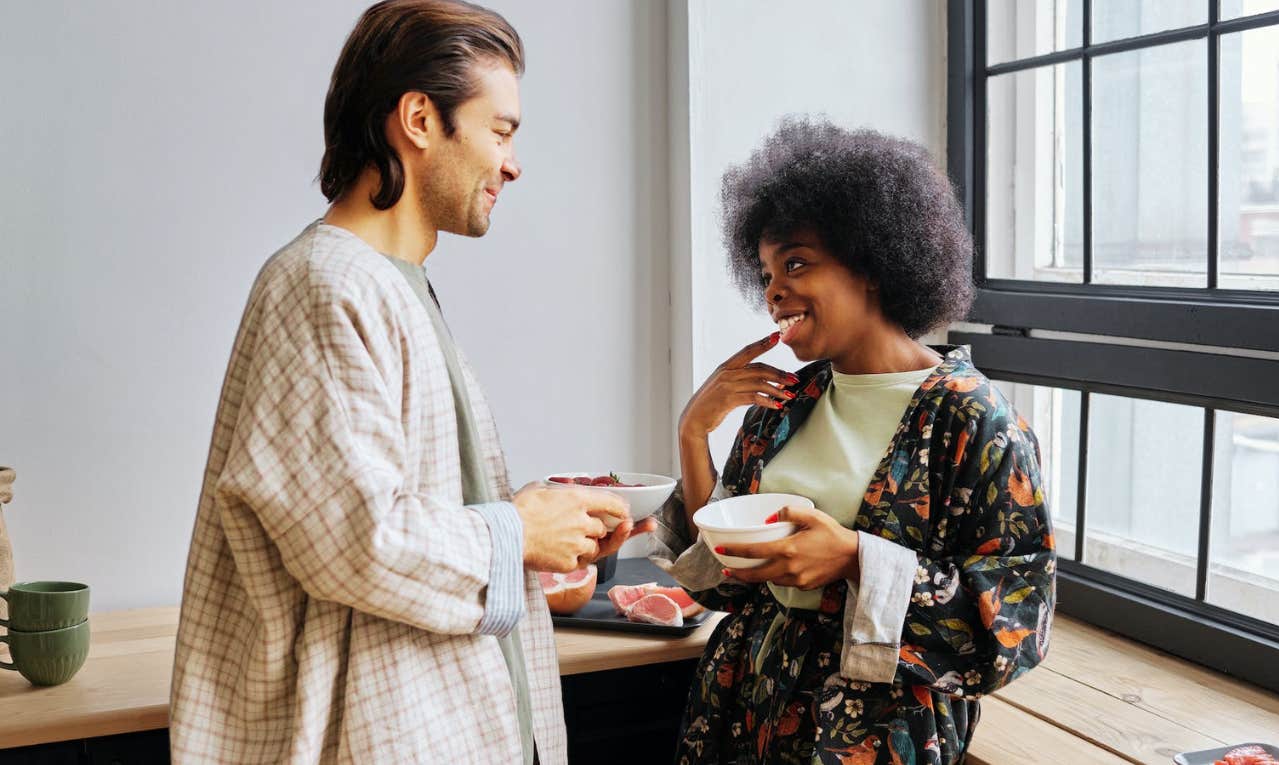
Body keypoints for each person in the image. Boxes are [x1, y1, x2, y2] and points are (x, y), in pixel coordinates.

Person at [169, 2, 650, 762]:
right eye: (501, 130)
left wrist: (553, 526)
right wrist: (519, 530)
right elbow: (356, 540)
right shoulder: (321, 284)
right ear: (420, 119)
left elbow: (390, 509)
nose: (513, 162)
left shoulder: (392, 284)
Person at [651, 118, 1056, 765]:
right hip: (746, 707)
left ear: (871, 259)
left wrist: (854, 559)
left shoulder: (975, 419)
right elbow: (720, 585)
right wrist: (693, 431)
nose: (774, 289)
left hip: (873, 735)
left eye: (797, 263)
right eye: (765, 272)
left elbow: (1017, 623)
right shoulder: (785, 403)